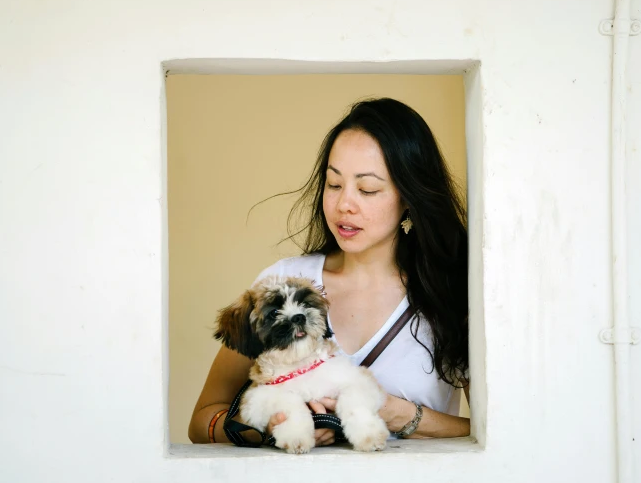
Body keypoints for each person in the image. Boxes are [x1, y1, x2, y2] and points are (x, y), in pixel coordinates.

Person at [188, 97, 470, 446]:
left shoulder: (451, 294)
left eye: (367, 189)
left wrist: (403, 415)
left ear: (409, 197)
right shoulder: (283, 286)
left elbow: (495, 430)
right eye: (334, 184)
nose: (343, 205)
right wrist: (268, 427)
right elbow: (202, 420)